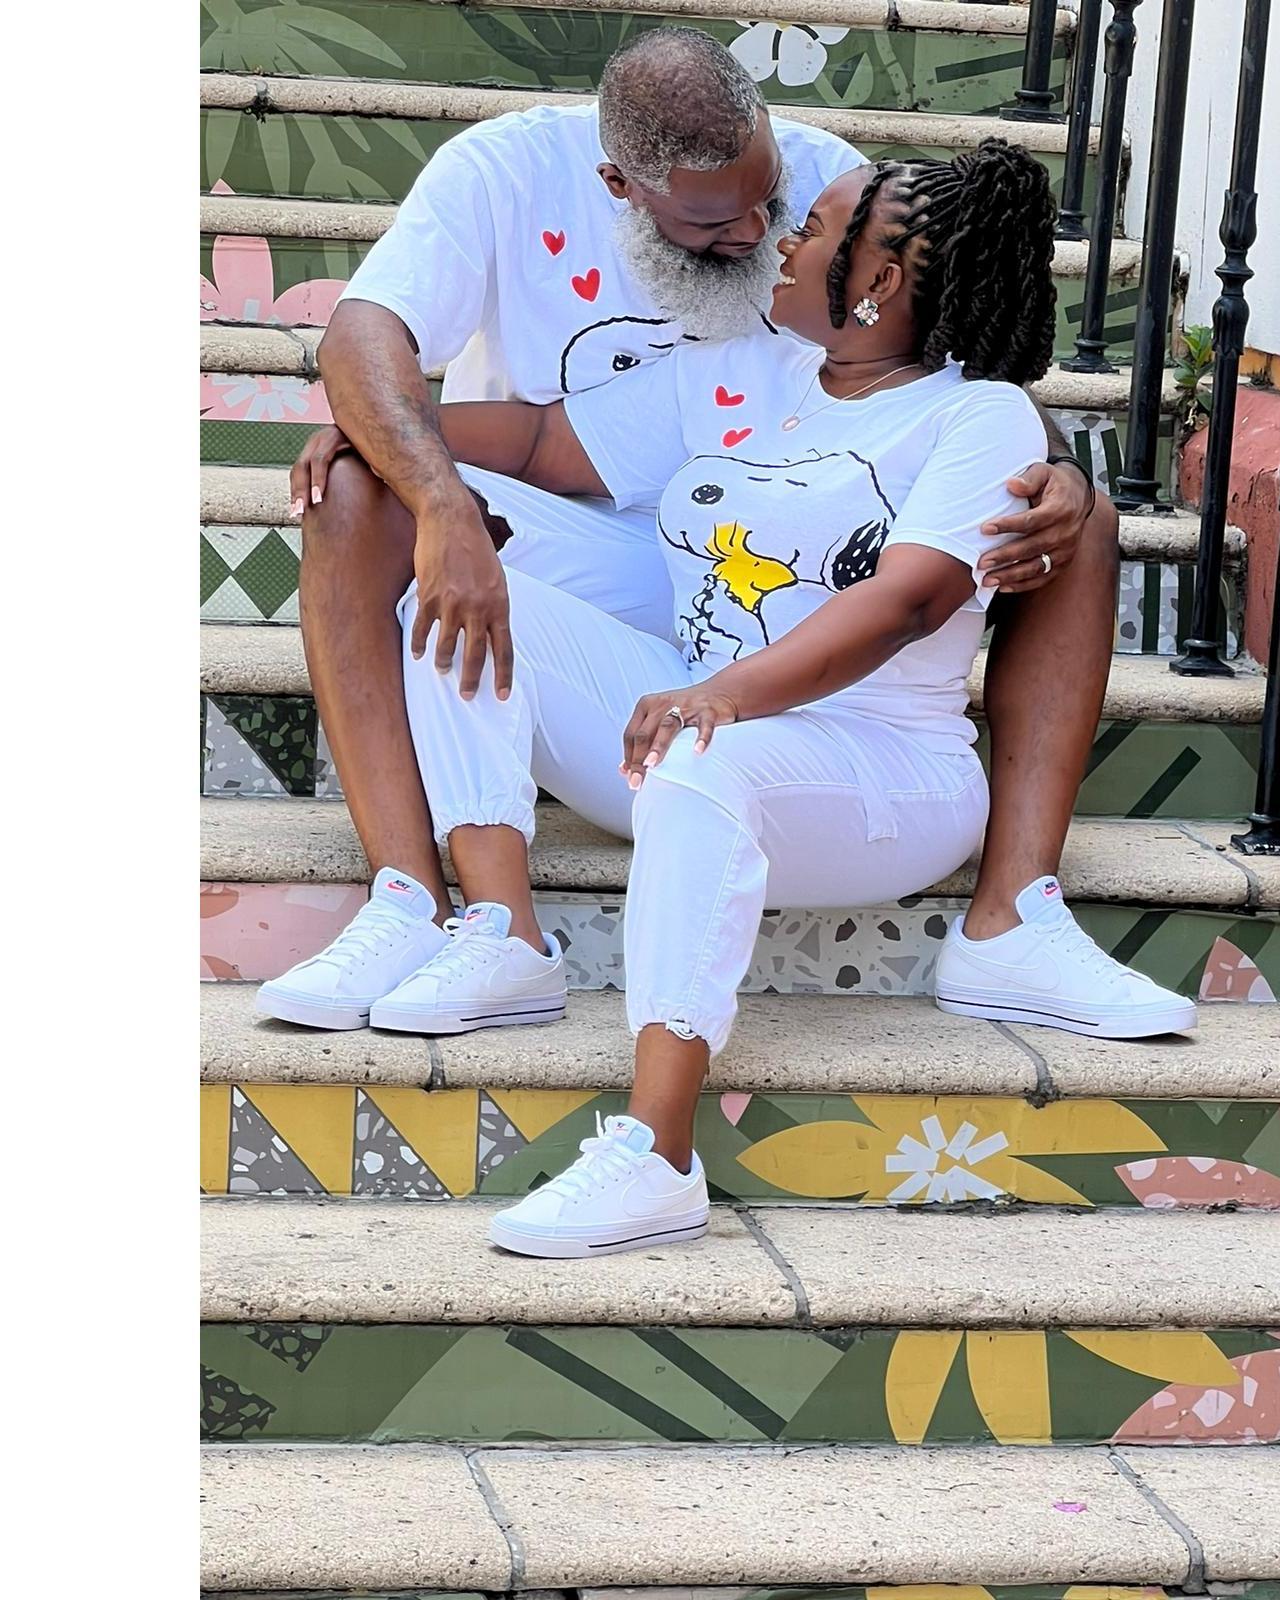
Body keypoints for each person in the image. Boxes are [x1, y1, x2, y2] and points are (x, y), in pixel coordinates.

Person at [257, 28, 1196, 1042]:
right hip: (604, 556)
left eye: (779, 207)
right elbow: (477, 405)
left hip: (767, 600)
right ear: (619, 186)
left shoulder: (842, 190)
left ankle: (1014, 916)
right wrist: (403, 448)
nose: (761, 234)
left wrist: (1059, 470)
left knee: (1078, 516)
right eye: (716, 217)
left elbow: (961, 361)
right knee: (357, 491)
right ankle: (413, 901)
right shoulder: (508, 175)